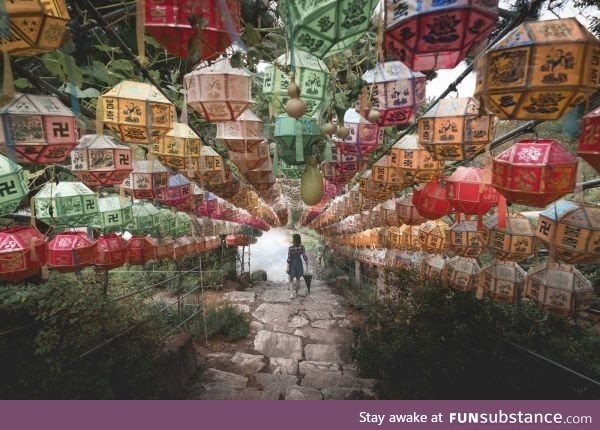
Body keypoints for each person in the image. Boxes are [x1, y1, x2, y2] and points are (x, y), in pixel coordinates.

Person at [286, 233, 308, 299]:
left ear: (294, 240)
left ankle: (291, 294)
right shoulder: (302, 247)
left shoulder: (290, 248)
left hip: (292, 263)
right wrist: (306, 261)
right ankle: (296, 292)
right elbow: (304, 256)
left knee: (291, 279)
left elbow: (289, 258)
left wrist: (287, 267)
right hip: (299, 262)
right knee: (298, 279)